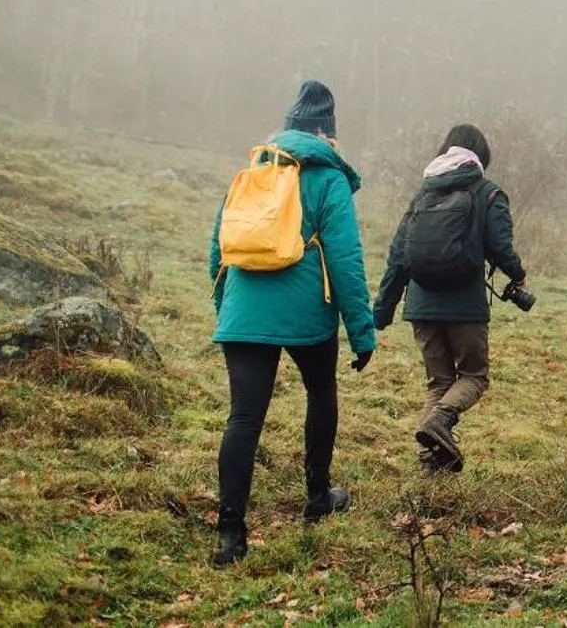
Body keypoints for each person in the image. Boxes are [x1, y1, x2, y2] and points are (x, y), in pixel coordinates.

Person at [207, 79, 376, 567]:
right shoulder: (329, 178)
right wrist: (362, 333)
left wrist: (226, 307)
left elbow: (219, 246)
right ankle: (318, 497)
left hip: (243, 312)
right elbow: (345, 259)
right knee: (320, 390)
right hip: (307, 316)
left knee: (243, 418)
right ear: (326, 134)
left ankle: (231, 534)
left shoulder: (253, 170)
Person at [371, 122, 526, 474]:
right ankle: (439, 422)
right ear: (482, 156)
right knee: (474, 377)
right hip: (464, 307)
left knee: (439, 382)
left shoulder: (423, 193)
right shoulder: (488, 192)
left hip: (421, 306)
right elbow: (501, 247)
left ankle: (431, 463)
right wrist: (518, 275)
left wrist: (383, 309)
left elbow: (398, 255)